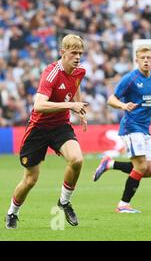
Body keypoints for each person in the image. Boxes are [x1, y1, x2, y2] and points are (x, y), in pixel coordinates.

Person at [5, 34, 88, 229]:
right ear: (63, 52)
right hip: (39, 130)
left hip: (60, 126)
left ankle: (64, 202)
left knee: (77, 159)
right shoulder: (51, 73)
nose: (77, 57)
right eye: (73, 53)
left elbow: (75, 87)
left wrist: (79, 108)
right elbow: (39, 105)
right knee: (30, 180)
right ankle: (12, 212)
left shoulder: (80, 71)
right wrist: (71, 105)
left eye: (80, 53)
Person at [92, 46, 151, 213]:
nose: (146, 60)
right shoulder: (130, 79)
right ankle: (123, 205)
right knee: (141, 167)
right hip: (131, 127)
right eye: (142, 57)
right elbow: (111, 99)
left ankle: (110, 163)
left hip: (145, 129)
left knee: (150, 170)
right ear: (136, 60)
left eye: (148, 57)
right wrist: (123, 105)